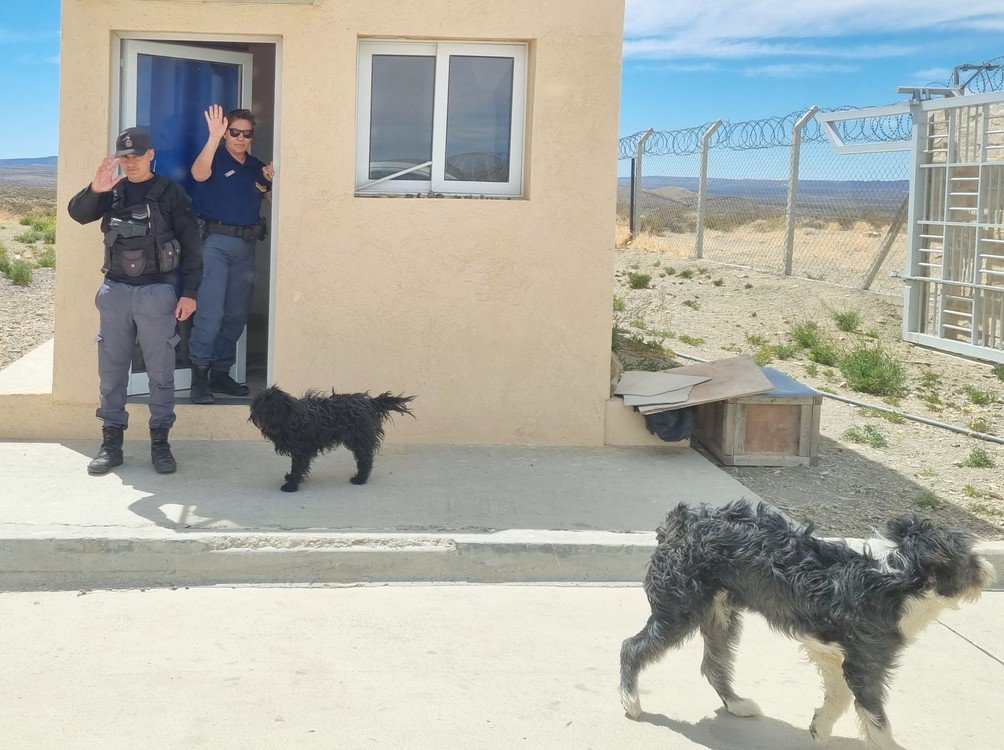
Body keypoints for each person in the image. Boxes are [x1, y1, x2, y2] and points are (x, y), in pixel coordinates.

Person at [68, 127, 203, 475]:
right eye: (123, 156)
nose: (130, 162)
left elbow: (191, 246)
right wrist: (95, 188)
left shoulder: (171, 193)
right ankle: (111, 444)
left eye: (136, 155)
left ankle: (161, 443)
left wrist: (190, 293)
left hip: (157, 292)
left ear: (150, 155)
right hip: (115, 291)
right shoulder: (111, 191)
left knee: (160, 372)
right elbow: (78, 214)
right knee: (111, 372)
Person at [188, 105, 273, 404]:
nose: (240, 138)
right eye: (234, 132)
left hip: (246, 247)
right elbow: (198, 175)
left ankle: (220, 373)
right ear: (226, 133)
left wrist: (277, 179)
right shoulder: (214, 156)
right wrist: (213, 138)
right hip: (215, 244)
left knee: (236, 315)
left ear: (252, 137)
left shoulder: (256, 168)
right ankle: (200, 377)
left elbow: (275, 199)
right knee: (211, 313)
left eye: (246, 134)